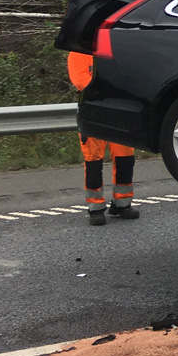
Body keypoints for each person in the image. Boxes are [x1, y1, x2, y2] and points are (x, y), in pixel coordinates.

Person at [67, 51, 140, 226]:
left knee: (125, 156)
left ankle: (122, 204)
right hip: (93, 110)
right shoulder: (78, 53)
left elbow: (130, 75)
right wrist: (107, 92)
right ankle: (96, 207)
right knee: (93, 159)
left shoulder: (117, 50)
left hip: (118, 110)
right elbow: (80, 80)